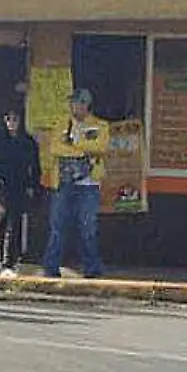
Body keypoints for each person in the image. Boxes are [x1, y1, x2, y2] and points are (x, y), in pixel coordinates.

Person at [42, 88, 109, 279]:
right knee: (57, 226)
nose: (74, 106)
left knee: (88, 227)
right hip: (63, 184)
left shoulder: (99, 126)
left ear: (87, 104)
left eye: (78, 103)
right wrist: (82, 151)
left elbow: (101, 147)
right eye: (72, 103)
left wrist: (73, 146)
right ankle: (51, 267)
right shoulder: (62, 125)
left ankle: (92, 268)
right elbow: (55, 148)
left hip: (89, 186)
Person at [0, 109, 42, 276]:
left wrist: (32, 185)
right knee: (4, 212)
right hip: (1, 184)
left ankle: (9, 261)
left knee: (15, 220)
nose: (12, 123)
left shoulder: (28, 142)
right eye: (9, 119)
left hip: (20, 185)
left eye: (15, 119)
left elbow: (35, 167)